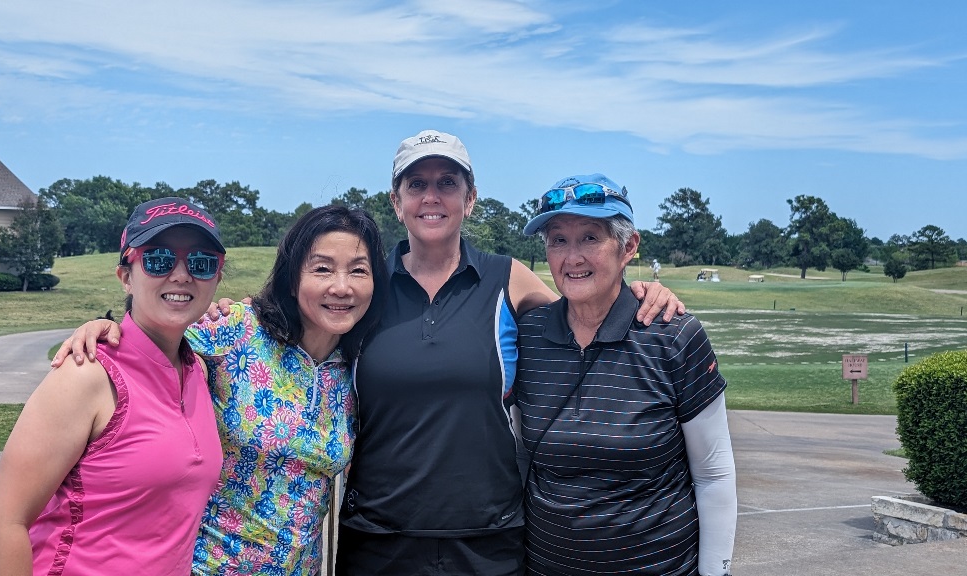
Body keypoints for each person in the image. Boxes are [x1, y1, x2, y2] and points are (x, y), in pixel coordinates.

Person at [334, 131, 686, 575]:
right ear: (395, 200)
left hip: (488, 539)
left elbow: (586, 304)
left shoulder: (508, 279)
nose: (432, 197)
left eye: (447, 182)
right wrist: (232, 312)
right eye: (416, 184)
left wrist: (643, 292)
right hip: (379, 538)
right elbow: (302, 319)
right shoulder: (366, 287)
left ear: (471, 198)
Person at [51, 204, 389, 575]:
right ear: (292, 278)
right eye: (322, 268)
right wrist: (102, 328)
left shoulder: (356, 367)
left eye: (358, 271)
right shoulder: (236, 331)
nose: (341, 287)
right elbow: (150, 335)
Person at [0, 197, 227, 574]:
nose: (181, 275)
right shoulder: (86, 373)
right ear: (126, 276)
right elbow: (5, 523)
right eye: (158, 259)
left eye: (201, 262)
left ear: (217, 278)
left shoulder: (199, 371)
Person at [516, 174, 737, 576]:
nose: (572, 257)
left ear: (628, 246)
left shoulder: (674, 335)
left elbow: (714, 472)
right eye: (558, 240)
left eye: (590, 237)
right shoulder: (528, 333)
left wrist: (716, 572)